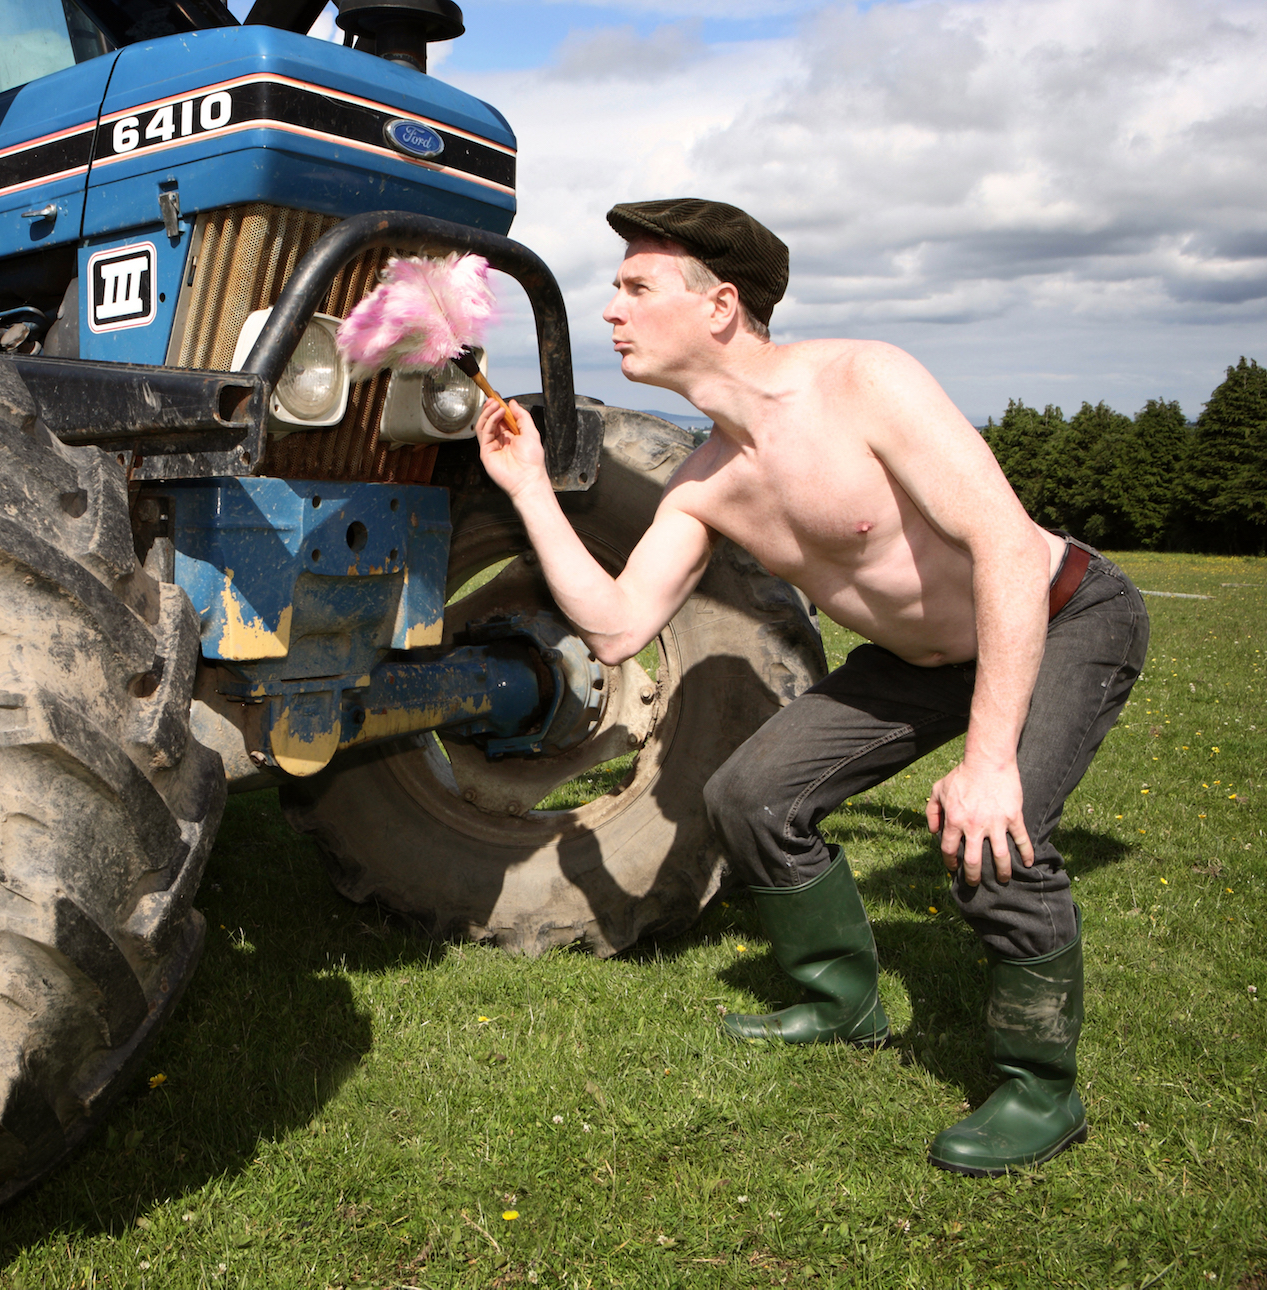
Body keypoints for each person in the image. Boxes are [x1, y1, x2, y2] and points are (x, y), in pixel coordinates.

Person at [471, 198, 1148, 1176]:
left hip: (1061, 614)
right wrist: (530, 488)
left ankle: (1039, 1087)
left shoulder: (864, 382)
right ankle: (843, 1004)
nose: (610, 310)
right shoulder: (708, 479)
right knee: (750, 798)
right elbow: (617, 626)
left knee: (1002, 833)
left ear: (721, 307)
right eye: (614, 289)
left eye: (635, 287)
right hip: (914, 665)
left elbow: (1004, 546)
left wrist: (991, 761)